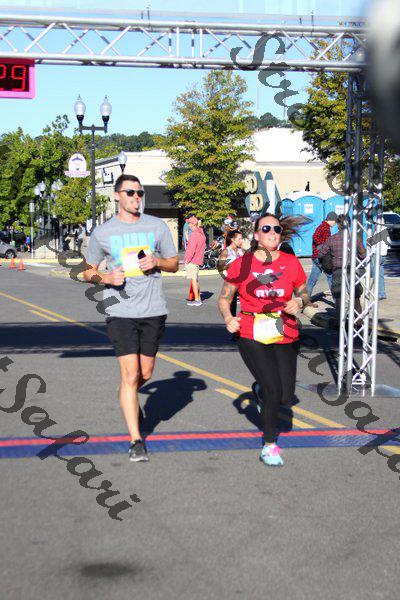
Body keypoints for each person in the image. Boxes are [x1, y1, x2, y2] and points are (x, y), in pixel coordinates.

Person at [84, 174, 179, 462]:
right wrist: (105, 277)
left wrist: (157, 262)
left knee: (144, 374)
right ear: (117, 196)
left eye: (140, 193)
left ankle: (128, 395)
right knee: (130, 374)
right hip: (120, 311)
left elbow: (174, 263)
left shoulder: (157, 226)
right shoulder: (103, 232)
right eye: (130, 192)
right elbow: (87, 271)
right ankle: (136, 440)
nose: (136, 197)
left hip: (153, 309)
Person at [218, 213, 311, 467]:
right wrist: (229, 318)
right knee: (273, 389)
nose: (272, 233)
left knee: (285, 397)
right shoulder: (242, 264)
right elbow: (225, 298)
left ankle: (259, 392)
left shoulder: (290, 262)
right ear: (257, 235)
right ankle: (269, 445)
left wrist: (299, 301)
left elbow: (304, 293)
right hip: (251, 329)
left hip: (284, 329)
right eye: (266, 229)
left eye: (276, 229)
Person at [317, 215, 366, 322]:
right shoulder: (355, 238)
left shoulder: (332, 239)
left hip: (337, 270)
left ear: (338, 225)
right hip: (351, 269)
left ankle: (339, 321)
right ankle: (358, 321)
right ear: (350, 224)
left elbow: (320, 254)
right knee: (355, 296)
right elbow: (363, 255)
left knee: (339, 297)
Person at [307, 211, 338, 298]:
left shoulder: (324, 227)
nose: (335, 223)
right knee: (330, 277)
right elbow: (315, 237)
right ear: (331, 220)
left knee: (312, 281)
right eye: (335, 221)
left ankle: (306, 301)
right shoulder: (324, 227)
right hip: (321, 257)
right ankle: (337, 302)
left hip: (316, 257)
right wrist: (324, 245)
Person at [218, 230, 245, 317]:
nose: (241, 241)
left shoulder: (241, 251)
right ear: (233, 239)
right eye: (239, 239)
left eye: (242, 238)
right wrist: (232, 264)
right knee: (232, 308)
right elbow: (220, 268)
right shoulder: (226, 251)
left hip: (242, 281)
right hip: (232, 282)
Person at [184, 216, 206, 306]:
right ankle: (198, 298)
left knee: (193, 279)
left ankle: (197, 300)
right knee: (195, 279)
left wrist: (187, 260)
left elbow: (191, 249)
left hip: (192, 260)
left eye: (189, 223)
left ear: (193, 224)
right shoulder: (201, 234)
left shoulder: (194, 235)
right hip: (198, 259)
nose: (188, 225)